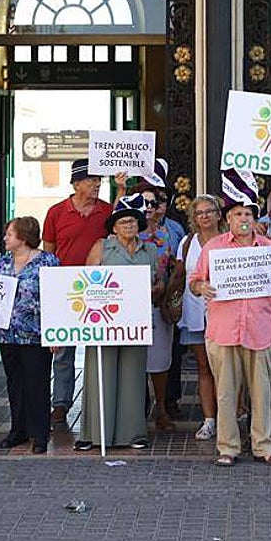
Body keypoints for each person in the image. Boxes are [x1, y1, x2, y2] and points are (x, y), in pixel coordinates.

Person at [190, 187, 271, 467]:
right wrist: (203, 287)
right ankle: (228, 447)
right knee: (225, 392)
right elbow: (195, 281)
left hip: (261, 329)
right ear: (228, 219)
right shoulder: (214, 248)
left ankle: (263, 446)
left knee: (261, 391)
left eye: (248, 213)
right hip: (224, 329)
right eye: (238, 214)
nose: (243, 218)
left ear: (255, 219)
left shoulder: (269, 248)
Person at [74, 194, 162, 452]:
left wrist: (153, 290)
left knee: (134, 377)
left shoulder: (150, 250)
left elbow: (158, 282)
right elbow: (87, 280)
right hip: (103, 321)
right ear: (114, 227)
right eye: (123, 222)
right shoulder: (101, 247)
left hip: (136, 322)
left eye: (133, 222)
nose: (129, 226)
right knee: (100, 373)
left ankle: (134, 433)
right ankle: (93, 433)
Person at [43, 158, 113, 429]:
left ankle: (100, 403)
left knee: (100, 347)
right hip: (64, 288)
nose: (97, 185)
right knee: (62, 351)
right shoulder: (56, 213)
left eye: (99, 181)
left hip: (100, 288)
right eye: (91, 180)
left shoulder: (107, 211)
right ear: (76, 184)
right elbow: (48, 253)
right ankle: (60, 404)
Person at [0, 216, 60, 454]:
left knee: (37, 383)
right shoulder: (2, 263)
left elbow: (56, 298)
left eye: (9, 234)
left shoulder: (48, 261)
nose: (5, 238)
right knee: (14, 382)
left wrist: (55, 334)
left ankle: (40, 433)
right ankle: (18, 430)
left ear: (23, 237)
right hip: (7, 334)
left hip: (37, 334)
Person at [175, 194, 223, 440]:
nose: (204, 216)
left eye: (209, 211)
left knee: (226, 369)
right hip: (195, 312)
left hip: (225, 314)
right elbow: (181, 274)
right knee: (204, 367)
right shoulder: (187, 241)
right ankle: (209, 420)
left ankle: (231, 416)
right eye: (199, 212)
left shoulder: (230, 240)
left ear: (218, 214)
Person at [137, 186, 180, 430]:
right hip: (131, 308)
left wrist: (169, 286)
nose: (150, 208)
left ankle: (161, 409)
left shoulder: (167, 234)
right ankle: (137, 410)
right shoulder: (128, 233)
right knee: (135, 363)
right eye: (145, 204)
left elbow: (175, 266)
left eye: (154, 204)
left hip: (158, 304)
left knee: (161, 361)